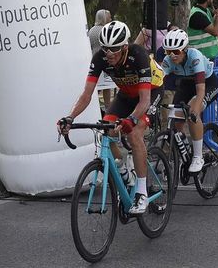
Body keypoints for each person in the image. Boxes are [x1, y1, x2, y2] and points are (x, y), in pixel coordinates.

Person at [61, 20, 155, 214]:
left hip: (150, 92)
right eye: (105, 49)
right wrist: (70, 117)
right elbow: (86, 95)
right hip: (125, 95)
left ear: (124, 47)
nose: (109, 53)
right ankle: (123, 171)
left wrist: (131, 119)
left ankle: (142, 192)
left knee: (135, 134)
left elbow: (144, 101)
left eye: (113, 49)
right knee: (106, 128)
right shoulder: (100, 58)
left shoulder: (138, 55)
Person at [157, 28, 211, 175]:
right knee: (175, 119)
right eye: (169, 52)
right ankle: (183, 152)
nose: (172, 55)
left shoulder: (195, 57)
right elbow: (157, 81)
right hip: (186, 84)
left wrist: (195, 110)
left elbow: (200, 91)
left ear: (185, 49)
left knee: (193, 112)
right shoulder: (168, 61)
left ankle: (198, 156)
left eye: (176, 51)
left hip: (206, 82)